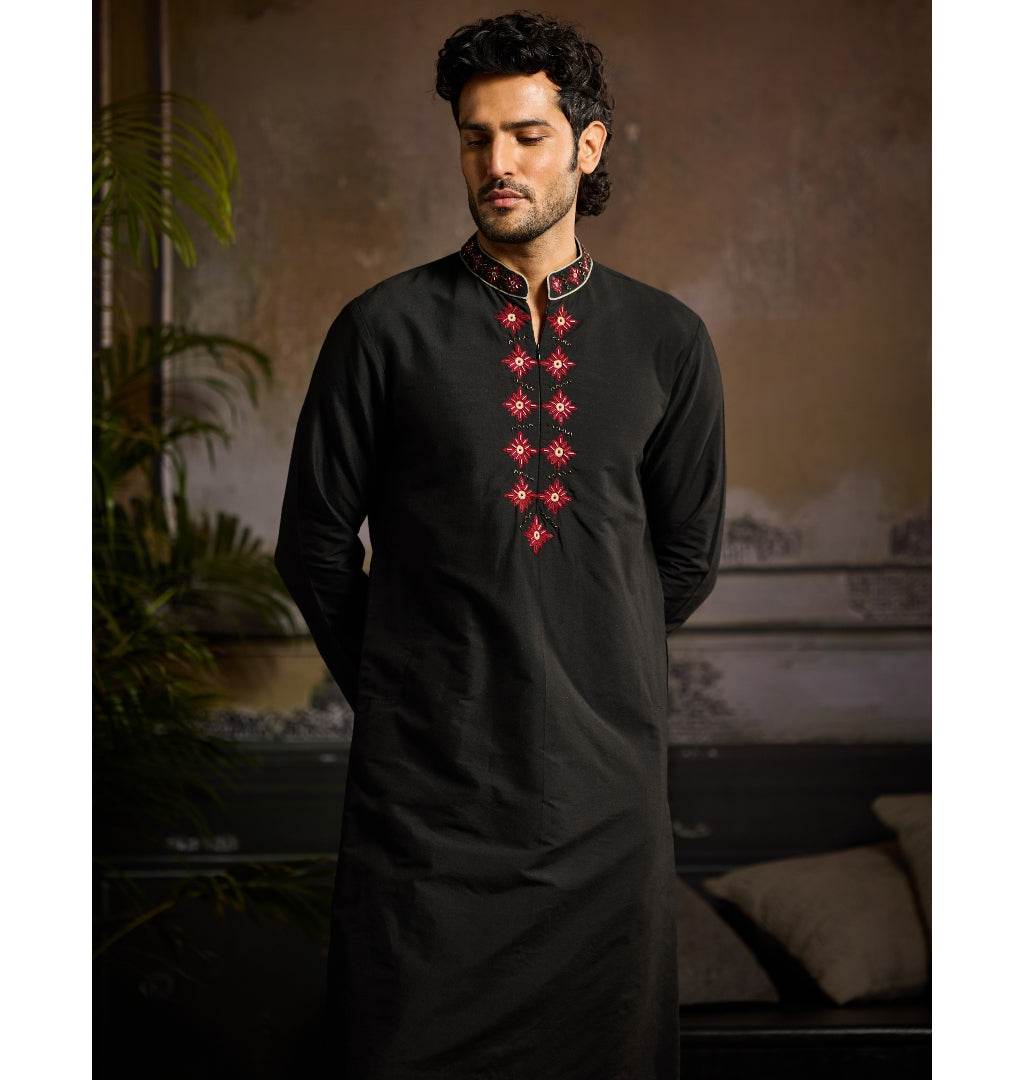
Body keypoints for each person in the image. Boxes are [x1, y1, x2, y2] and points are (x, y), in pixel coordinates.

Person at [275, 11, 725, 1079]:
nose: (497, 163)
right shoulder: (382, 330)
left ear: (588, 145)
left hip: (605, 805)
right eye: (475, 138)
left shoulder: (667, 341)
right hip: (428, 804)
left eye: (527, 135)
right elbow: (314, 545)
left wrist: (585, 660)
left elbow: (687, 557)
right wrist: (411, 690)